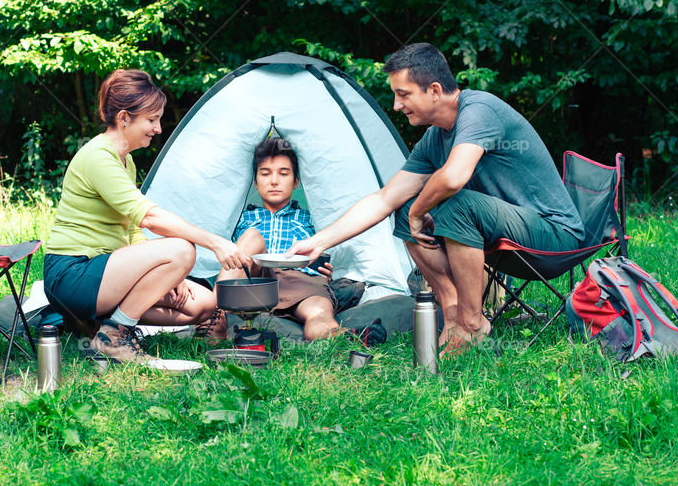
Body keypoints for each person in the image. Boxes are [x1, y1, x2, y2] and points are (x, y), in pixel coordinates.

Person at [289, 43, 584, 355]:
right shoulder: (435, 137)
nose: (396, 105)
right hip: (502, 244)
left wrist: (419, 212)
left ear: (433, 90)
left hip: (553, 241)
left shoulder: (479, 111)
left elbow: (454, 177)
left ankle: (472, 325)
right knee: (404, 209)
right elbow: (385, 198)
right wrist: (320, 242)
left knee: (456, 204)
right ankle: (454, 313)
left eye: (403, 94)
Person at [43, 69, 247, 366]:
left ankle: (99, 326)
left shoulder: (126, 161)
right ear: (124, 118)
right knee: (181, 249)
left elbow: (134, 229)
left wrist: (171, 277)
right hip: (73, 273)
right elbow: (149, 217)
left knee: (202, 304)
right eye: (151, 120)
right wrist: (213, 242)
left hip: (104, 273)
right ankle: (114, 336)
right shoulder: (98, 157)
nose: (158, 128)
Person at [213, 137, 341, 341]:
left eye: (283, 174)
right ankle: (215, 316)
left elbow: (323, 250)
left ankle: (341, 339)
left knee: (319, 313)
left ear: (296, 181)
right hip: (253, 280)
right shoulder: (240, 217)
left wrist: (325, 269)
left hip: (298, 280)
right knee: (251, 236)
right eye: (265, 174)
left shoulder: (310, 218)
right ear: (255, 182)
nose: (274, 181)